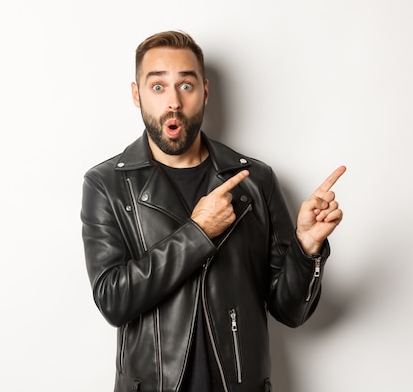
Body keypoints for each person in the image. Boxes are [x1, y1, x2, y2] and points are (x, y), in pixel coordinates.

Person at [81, 30, 345, 392]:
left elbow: (291, 312)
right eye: (158, 87)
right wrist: (198, 232)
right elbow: (113, 300)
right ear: (136, 94)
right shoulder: (106, 184)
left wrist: (306, 247)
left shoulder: (255, 180)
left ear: (205, 91)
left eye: (185, 86)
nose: (173, 102)